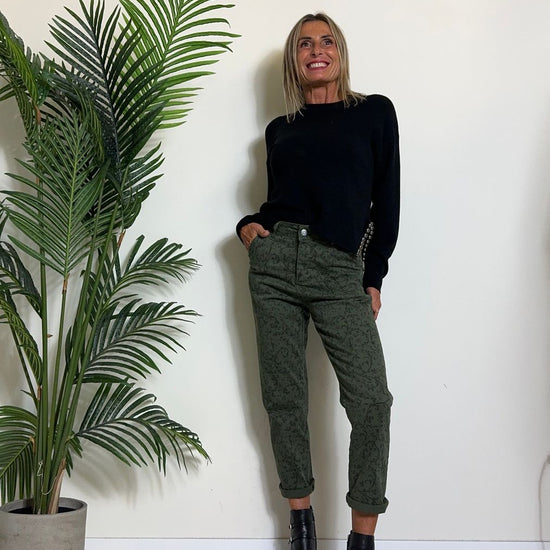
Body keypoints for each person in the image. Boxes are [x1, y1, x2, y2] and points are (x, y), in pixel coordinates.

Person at [236, 12, 399, 550]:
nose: (316, 50)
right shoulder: (280, 129)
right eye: (305, 44)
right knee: (284, 399)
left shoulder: (374, 112)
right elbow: (278, 202)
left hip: (338, 268)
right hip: (275, 266)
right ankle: (301, 530)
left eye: (326, 41)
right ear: (295, 59)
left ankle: (361, 540)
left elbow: (387, 201)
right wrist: (249, 228)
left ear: (340, 53)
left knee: (371, 401)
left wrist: (373, 275)